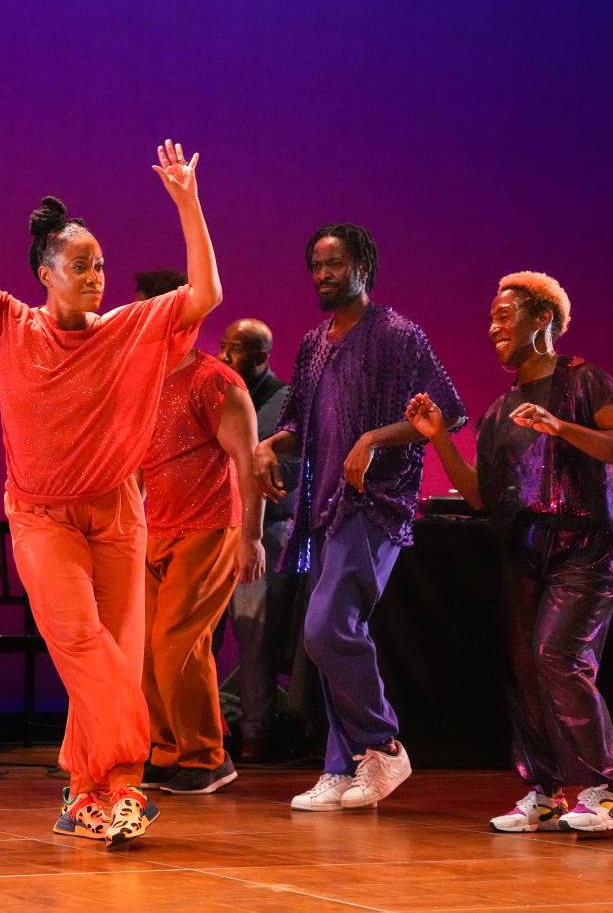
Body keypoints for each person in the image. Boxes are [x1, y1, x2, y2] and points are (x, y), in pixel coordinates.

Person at [0, 106, 222, 847]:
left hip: (117, 513)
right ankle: (125, 771)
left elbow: (205, 293)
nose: (96, 275)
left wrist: (189, 204)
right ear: (45, 273)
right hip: (42, 517)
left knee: (115, 652)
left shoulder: (128, 328)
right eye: (80, 264)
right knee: (85, 646)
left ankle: (98, 793)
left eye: (101, 265)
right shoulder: (9, 323)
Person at [406, 271, 613, 833]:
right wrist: (439, 436)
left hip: (590, 546)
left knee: (558, 658)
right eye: (491, 319)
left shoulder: (586, 381)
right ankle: (544, 791)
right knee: (524, 669)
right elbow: (480, 497)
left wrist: (562, 427)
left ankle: (608, 791)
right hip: (527, 551)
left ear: (543, 319)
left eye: (504, 315)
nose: (493, 328)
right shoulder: (499, 410)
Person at [253, 223, 465, 812]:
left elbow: (448, 411)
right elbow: (298, 422)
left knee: (327, 629)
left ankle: (383, 745)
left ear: (364, 267)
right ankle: (342, 766)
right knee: (328, 640)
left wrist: (374, 436)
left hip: (376, 504)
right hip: (321, 510)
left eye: (334, 264)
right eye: (316, 265)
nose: (322, 275)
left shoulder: (398, 336)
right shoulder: (314, 343)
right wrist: (269, 446)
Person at [140, 296, 264, 795]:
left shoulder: (216, 382)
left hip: (209, 527)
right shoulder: (145, 382)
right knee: (147, 650)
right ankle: (168, 750)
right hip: (156, 529)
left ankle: (208, 756)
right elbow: (137, 465)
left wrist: (251, 538)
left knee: (178, 646)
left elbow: (248, 461)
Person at [217, 318, 304, 762]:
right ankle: (204, 730)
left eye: (235, 349)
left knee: (255, 637)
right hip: (216, 531)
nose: (224, 356)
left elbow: (283, 478)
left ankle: (257, 733)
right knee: (200, 637)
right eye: (223, 346)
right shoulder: (223, 395)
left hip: (267, 533)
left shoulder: (287, 403)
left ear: (262, 356)